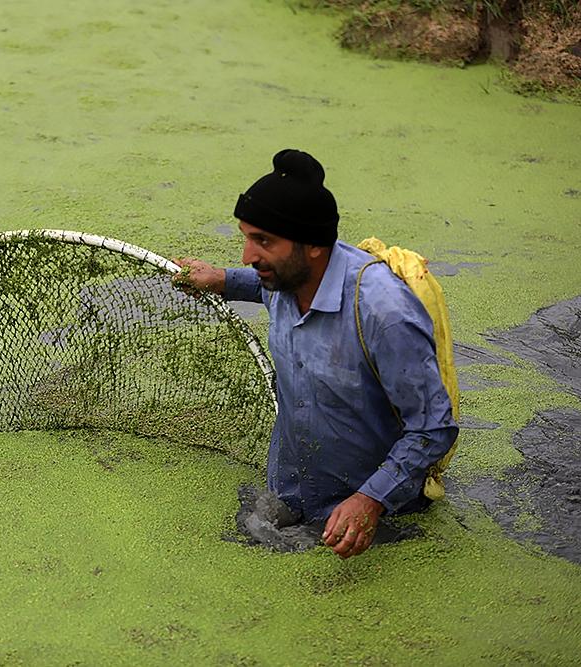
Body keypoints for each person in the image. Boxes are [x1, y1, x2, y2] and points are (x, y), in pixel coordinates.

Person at [174, 148, 458, 559]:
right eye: (246, 237)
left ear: (312, 247)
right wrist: (221, 279)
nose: (248, 256)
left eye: (263, 241)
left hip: (372, 521)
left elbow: (434, 427)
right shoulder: (283, 280)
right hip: (287, 491)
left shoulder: (384, 314)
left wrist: (370, 500)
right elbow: (261, 284)